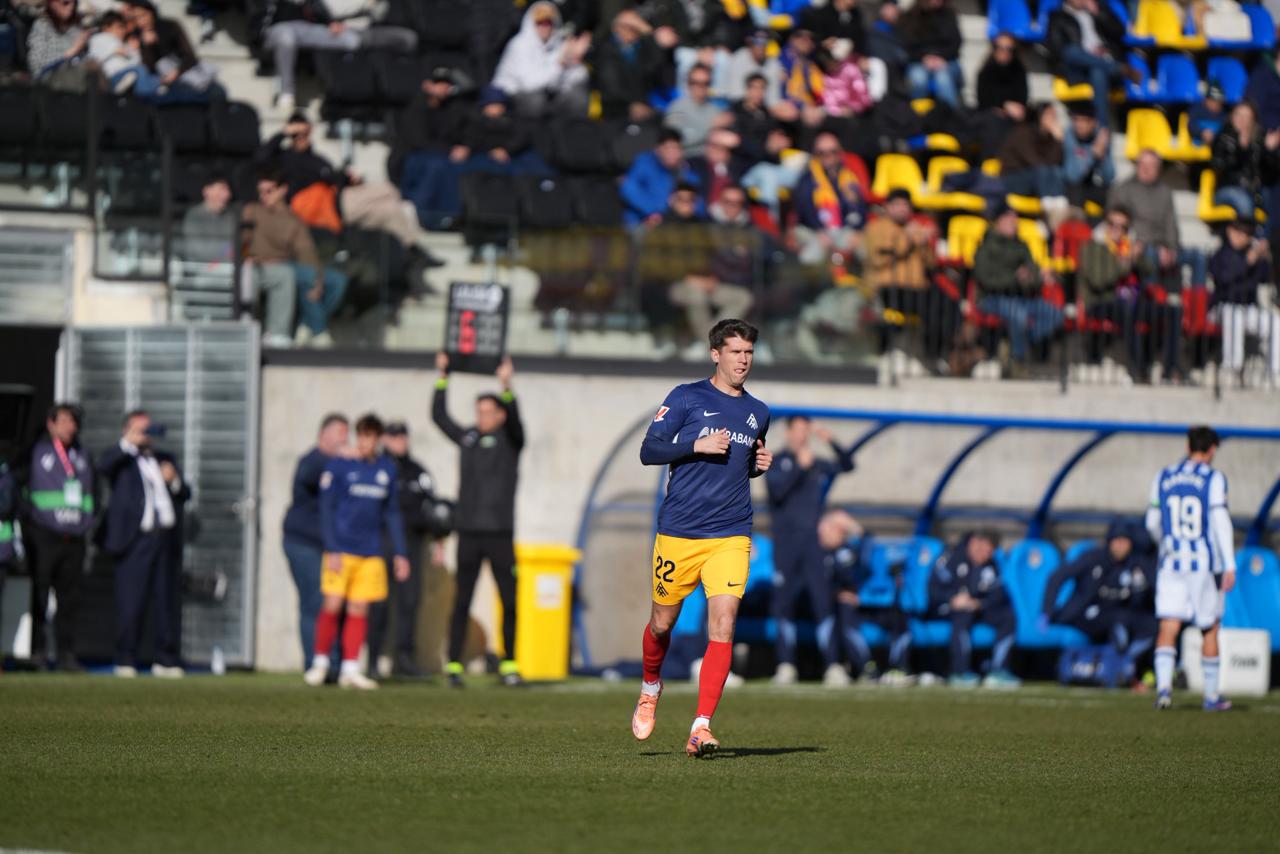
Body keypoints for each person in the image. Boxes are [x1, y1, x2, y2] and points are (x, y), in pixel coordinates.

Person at [631, 319, 772, 758]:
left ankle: (701, 727)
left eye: (748, 352)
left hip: (731, 533)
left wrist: (756, 465)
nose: (743, 360)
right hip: (679, 532)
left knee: (724, 624)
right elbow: (649, 451)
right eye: (735, 352)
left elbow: (739, 464)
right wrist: (695, 445)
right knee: (661, 623)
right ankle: (651, 687)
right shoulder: (687, 396)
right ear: (715, 354)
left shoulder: (760, 411)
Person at [257, 113, 437, 290]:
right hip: (325, 206)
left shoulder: (317, 159)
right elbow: (261, 157)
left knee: (393, 211)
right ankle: (416, 246)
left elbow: (332, 178)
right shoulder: (283, 158)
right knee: (389, 190)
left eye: (305, 133)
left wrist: (349, 179)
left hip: (341, 199)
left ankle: (411, 251)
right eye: (296, 134)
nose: (301, 138)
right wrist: (284, 132)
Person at [432, 353, 525, 688]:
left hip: (500, 533)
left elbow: (517, 421)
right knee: (462, 599)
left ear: (500, 414)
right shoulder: (468, 438)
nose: (482, 417)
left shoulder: (511, 440)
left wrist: (506, 385)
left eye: (489, 411)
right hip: (469, 532)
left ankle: (509, 665)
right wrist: (443, 377)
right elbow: (439, 417)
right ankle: (454, 665)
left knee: (509, 599)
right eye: (479, 411)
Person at [303, 414, 409, 691]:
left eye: (371, 436)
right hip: (342, 549)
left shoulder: (386, 469)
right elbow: (326, 510)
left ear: (378, 439)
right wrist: (332, 547)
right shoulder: (339, 466)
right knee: (332, 604)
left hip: (371, 552)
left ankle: (350, 668)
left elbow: (393, 513)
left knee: (360, 608)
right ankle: (320, 663)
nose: (365, 442)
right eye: (361, 436)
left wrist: (400, 553)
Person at [1145, 426, 1236, 711]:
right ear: (1211, 450)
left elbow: (1151, 522)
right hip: (1203, 565)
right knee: (1209, 627)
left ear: (1187, 446)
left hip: (1170, 562)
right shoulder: (1214, 478)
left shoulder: (1164, 475)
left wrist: (1167, 544)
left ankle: (1163, 690)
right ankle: (1210, 697)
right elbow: (1220, 522)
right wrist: (1230, 563)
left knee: (1168, 625)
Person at [97, 409, 191, 678]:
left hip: (164, 539)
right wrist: (128, 443)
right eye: (141, 429)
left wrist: (173, 481)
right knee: (131, 602)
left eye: (148, 430)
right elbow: (104, 468)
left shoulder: (164, 459)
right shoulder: (121, 457)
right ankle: (126, 658)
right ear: (128, 429)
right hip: (134, 540)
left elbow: (186, 492)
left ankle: (166, 659)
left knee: (166, 602)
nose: (146, 435)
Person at [765, 416, 855, 686]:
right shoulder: (777, 461)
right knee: (784, 603)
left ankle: (832, 666)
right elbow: (776, 493)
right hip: (786, 545)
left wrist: (831, 441)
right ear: (789, 432)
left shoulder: (817, 463)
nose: (803, 436)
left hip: (813, 546)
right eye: (799, 430)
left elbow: (848, 465)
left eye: (807, 431)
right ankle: (786, 665)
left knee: (823, 601)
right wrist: (799, 470)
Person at [14, 403, 93, 672]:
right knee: (39, 596)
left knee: (69, 600)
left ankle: (66, 655)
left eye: (74, 422)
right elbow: (19, 487)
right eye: (65, 420)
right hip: (43, 536)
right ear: (51, 423)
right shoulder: (36, 451)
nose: (71, 426)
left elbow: (94, 494)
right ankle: (36, 653)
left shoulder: (82, 453)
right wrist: (29, 523)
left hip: (74, 538)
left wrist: (88, 522)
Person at [366, 421, 444, 679]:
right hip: (380, 542)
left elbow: (435, 510)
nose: (399, 441)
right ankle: (373, 661)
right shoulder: (376, 467)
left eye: (402, 437)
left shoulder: (417, 471)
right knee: (378, 603)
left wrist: (439, 540)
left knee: (409, 602)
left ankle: (404, 660)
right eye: (393, 437)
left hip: (411, 543)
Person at [240, 171, 345, 348]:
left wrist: (318, 279)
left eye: (269, 191)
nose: (263, 196)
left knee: (337, 281)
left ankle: (307, 323)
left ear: (283, 190)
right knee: (303, 279)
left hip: (287, 263)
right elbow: (240, 240)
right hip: (260, 264)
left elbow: (306, 251)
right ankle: (319, 331)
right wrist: (246, 258)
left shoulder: (293, 219)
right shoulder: (253, 211)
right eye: (261, 191)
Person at [1040, 520, 1157, 673]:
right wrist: (1046, 612)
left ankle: (1128, 662)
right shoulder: (1092, 558)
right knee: (1119, 620)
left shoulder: (1137, 564)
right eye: (1117, 541)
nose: (1120, 545)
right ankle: (1119, 667)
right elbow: (1056, 577)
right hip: (1086, 617)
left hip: (1122, 617)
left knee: (1154, 625)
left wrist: (1141, 587)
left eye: (1125, 541)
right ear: (1109, 542)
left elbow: (1153, 589)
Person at [262, 0, 416, 112]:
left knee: (353, 41)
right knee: (286, 37)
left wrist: (330, 21)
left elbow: (318, 9)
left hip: (319, 28)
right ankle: (286, 92)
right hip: (280, 29)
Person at [282, 413, 349, 665]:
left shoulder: (338, 466)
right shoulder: (312, 462)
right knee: (315, 602)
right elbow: (316, 473)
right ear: (324, 435)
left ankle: (334, 663)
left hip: (330, 547)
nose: (345, 439)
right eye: (341, 433)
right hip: (303, 543)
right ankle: (315, 663)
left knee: (334, 604)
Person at [864, 189, 956, 365]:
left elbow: (931, 263)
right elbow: (878, 258)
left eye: (906, 205)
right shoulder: (877, 228)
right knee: (931, 306)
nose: (902, 209)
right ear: (887, 207)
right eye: (897, 205)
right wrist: (909, 239)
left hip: (916, 288)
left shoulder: (914, 229)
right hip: (887, 287)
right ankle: (924, 356)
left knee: (948, 304)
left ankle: (935, 356)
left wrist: (925, 243)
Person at [824, 510, 915, 685]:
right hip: (844, 606)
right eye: (836, 529)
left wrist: (856, 528)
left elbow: (862, 564)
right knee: (845, 610)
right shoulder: (815, 553)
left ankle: (898, 667)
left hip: (865, 601)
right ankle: (867, 668)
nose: (840, 533)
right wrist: (838, 593)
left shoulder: (851, 550)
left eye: (843, 529)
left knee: (899, 615)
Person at [973, 204, 1062, 371]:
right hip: (991, 299)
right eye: (1009, 218)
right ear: (998, 221)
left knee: (1056, 314)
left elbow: (1033, 271)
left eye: (1015, 219)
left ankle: (1024, 341)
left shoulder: (1022, 246)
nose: (1014, 222)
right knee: (1018, 314)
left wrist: (1033, 278)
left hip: (1020, 297)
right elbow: (985, 279)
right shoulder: (986, 246)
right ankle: (1017, 360)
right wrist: (1015, 278)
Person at [927, 531, 1020, 688]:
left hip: (976, 607)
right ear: (973, 543)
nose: (985, 555)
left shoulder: (991, 565)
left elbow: (998, 594)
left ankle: (999, 670)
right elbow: (933, 589)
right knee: (963, 615)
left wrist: (979, 603)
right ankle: (960, 671)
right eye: (982, 550)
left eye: (989, 552)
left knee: (1007, 616)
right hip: (947, 608)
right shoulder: (950, 558)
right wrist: (952, 599)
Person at [1106, 150, 1206, 293]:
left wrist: (1171, 249)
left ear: (1158, 169)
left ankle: (1197, 307)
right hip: (1139, 246)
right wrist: (1143, 243)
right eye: (1142, 164)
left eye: (1151, 165)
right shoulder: (1124, 189)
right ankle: (1152, 304)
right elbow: (1118, 223)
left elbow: (1171, 224)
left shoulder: (1165, 192)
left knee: (1199, 256)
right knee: (1151, 255)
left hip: (1164, 247)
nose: (1146, 168)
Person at [491, 1, 591, 119]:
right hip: (512, 97)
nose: (545, 27)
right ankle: (532, 134)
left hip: (547, 96)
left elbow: (580, 77)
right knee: (535, 101)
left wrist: (575, 59)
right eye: (539, 22)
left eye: (549, 22)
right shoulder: (519, 45)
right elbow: (530, 84)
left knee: (578, 98)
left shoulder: (559, 43)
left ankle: (572, 133)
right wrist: (561, 63)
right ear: (530, 23)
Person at [1210, 218, 1280, 382]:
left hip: (1247, 308)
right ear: (1230, 231)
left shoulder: (1253, 255)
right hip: (1221, 308)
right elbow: (1224, 279)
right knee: (1233, 314)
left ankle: (1275, 372)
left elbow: (1265, 279)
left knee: (1275, 321)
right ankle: (1231, 368)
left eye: (1248, 233)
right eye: (1240, 232)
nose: (1244, 237)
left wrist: (1265, 258)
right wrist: (1247, 262)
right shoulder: (1221, 254)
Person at [1046, 0, 1133, 129]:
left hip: (1102, 62)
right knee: (1072, 52)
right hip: (1077, 67)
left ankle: (1102, 127)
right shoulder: (1058, 17)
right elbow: (1057, 49)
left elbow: (1119, 32)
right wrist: (1086, 55)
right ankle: (1118, 68)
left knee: (1097, 71)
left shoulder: (1100, 9)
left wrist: (1098, 14)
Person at [792, 131, 867, 265]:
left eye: (832, 151)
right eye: (822, 153)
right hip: (813, 229)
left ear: (840, 153)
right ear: (815, 155)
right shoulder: (807, 180)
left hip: (842, 229)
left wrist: (856, 230)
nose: (828, 156)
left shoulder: (848, 178)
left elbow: (860, 208)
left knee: (865, 248)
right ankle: (809, 283)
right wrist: (820, 231)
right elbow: (805, 210)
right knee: (812, 254)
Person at [1210, 101, 1280, 221]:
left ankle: (1266, 238)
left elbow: (1270, 173)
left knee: (1272, 197)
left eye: (1247, 117)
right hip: (1227, 189)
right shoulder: (1223, 137)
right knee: (1244, 201)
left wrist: (1268, 151)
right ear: (1232, 116)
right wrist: (1241, 149)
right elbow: (1219, 167)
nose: (1242, 120)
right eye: (1239, 115)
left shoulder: (1258, 141)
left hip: (1253, 190)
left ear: (1253, 121)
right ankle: (1245, 236)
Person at [594, 9, 669, 121]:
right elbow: (611, 86)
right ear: (616, 28)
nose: (634, 31)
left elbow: (657, 67)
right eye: (629, 26)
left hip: (644, 107)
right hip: (617, 110)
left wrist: (648, 32)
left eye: (636, 27)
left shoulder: (641, 49)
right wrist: (632, 104)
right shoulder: (606, 49)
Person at [620, 128, 701, 226]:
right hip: (642, 221)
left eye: (676, 148)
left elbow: (698, 202)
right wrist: (653, 212)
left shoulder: (686, 172)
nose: (672, 153)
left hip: (674, 223)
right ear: (658, 150)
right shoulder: (645, 163)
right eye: (668, 148)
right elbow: (629, 188)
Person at [998, 104, 1068, 212]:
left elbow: (1053, 163)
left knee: (1056, 171)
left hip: (1035, 178)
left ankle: (1059, 205)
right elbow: (1036, 163)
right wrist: (1058, 142)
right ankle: (1049, 209)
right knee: (1042, 171)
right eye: (1050, 114)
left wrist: (1058, 141)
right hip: (1012, 179)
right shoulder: (1022, 133)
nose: (1054, 119)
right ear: (1039, 116)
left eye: (1055, 115)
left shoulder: (1049, 137)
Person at [972, 33, 1028, 160]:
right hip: (987, 115)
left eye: (1009, 49)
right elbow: (984, 101)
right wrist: (1005, 105)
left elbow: (1022, 100)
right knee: (994, 122)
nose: (1004, 52)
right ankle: (991, 165)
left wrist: (1011, 109)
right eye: (1000, 47)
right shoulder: (986, 71)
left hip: (1012, 117)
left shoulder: (1019, 71)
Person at [901, 0, 962, 110]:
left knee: (943, 79)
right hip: (918, 60)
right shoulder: (911, 16)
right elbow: (907, 46)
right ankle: (917, 117)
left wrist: (940, 57)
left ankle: (951, 119)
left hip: (946, 60)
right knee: (918, 79)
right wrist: (924, 57)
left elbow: (956, 44)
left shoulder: (949, 15)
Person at [665, 63, 732, 157]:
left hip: (713, 160)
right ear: (688, 83)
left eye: (705, 83)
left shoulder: (715, 109)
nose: (700, 87)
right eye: (695, 82)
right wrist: (711, 126)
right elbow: (676, 140)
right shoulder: (676, 108)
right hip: (687, 160)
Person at [1061, 102, 1113, 211]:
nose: (1078, 125)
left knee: (1112, 195)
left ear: (1093, 123)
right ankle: (1077, 226)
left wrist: (1102, 156)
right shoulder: (1069, 135)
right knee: (1075, 190)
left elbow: (1109, 176)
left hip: (1089, 185)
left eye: (1083, 120)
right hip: (1068, 185)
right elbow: (1073, 176)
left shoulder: (1100, 136)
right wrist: (1092, 154)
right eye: (1076, 120)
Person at [180, 173, 236, 265]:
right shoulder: (194, 216)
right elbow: (197, 249)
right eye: (222, 189)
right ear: (207, 191)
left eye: (227, 190)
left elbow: (235, 246)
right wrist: (224, 254)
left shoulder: (230, 217)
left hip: (227, 270)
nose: (227, 195)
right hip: (201, 273)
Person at [25, 0, 89, 78]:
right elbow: (36, 66)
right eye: (65, 3)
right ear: (52, 3)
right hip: (51, 83)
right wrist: (71, 51)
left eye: (74, 3)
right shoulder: (42, 26)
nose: (71, 7)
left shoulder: (76, 28)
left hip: (77, 79)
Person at [722, 29, 782, 106]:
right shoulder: (739, 58)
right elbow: (735, 94)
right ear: (750, 42)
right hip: (741, 107)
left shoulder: (773, 63)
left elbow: (773, 99)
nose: (762, 46)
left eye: (765, 42)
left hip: (765, 108)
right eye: (758, 41)